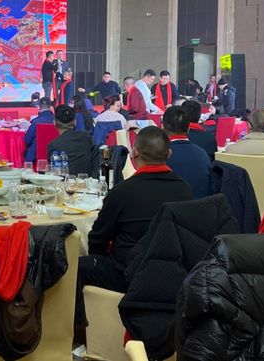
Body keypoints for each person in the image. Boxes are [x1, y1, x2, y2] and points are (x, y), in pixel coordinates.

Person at [76, 126, 194, 322]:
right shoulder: (185, 189)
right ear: (169, 154)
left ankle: (81, 329)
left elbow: (97, 239)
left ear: (135, 153)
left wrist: (100, 258)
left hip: (127, 274)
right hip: (173, 274)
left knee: (77, 267)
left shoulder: (122, 191)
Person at [163, 106, 211, 199]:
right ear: (188, 128)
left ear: (163, 126)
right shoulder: (203, 154)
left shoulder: (160, 155)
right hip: (201, 206)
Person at [48, 105, 99, 177]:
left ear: (54, 123)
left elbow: (54, 173)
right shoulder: (87, 138)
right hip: (87, 181)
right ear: (75, 122)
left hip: (65, 182)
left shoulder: (53, 145)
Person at [24, 97, 55, 164]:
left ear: (39, 107)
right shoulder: (57, 121)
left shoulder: (35, 122)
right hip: (54, 154)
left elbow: (27, 140)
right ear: (50, 107)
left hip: (35, 157)